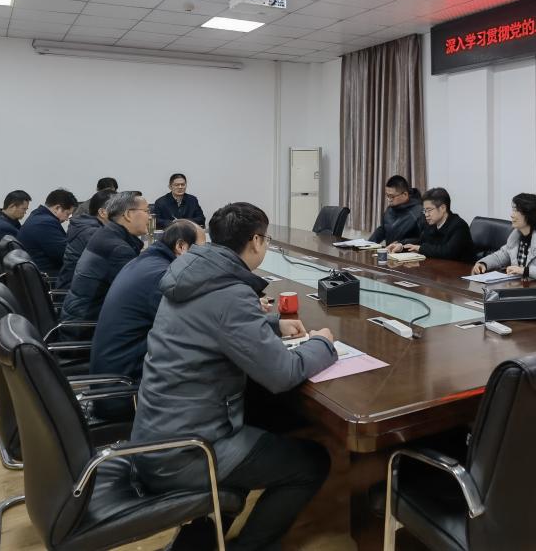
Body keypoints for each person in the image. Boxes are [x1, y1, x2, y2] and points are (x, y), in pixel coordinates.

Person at [132, 202, 336, 551]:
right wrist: (322, 344)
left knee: (266, 425)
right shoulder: (230, 292)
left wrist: (272, 323)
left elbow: (214, 322)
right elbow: (282, 373)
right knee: (312, 463)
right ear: (256, 241)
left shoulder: (189, 274)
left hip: (156, 433)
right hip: (188, 451)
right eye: (266, 239)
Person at [90, 219, 205, 387]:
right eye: (202, 250)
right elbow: (189, 329)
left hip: (115, 369)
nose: (205, 258)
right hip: (126, 383)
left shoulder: (147, 261)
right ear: (181, 246)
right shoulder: (162, 277)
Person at [61, 191, 148, 322]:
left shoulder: (107, 233)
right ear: (128, 215)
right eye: (146, 211)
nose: (150, 217)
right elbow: (139, 293)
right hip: (88, 324)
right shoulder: (117, 249)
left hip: (83, 314)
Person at [471, 193, 536, 284]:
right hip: (525, 290)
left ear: (530, 215)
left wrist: (526, 271)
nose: (512, 215)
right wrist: (483, 263)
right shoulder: (516, 238)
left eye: (516, 211)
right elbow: (499, 257)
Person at [388, 187, 475, 262]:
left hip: (462, 271)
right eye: (424, 211)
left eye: (429, 210)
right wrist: (401, 246)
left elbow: (448, 252)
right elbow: (421, 241)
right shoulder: (431, 223)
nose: (426, 215)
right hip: (439, 268)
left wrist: (420, 248)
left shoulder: (459, 226)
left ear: (443, 208)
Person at [58, 190, 114, 291]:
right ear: (102, 212)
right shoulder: (93, 233)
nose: (124, 215)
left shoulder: (85, 225)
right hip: (77, 293)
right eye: (119, 210)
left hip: (77, 288)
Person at [17, 188, 78, 275]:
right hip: (48, 277)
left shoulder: (38, 215)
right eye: (67, 214)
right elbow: (65, 255)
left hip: (37, 273)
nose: (67, 219)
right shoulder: (45, 223)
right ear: (57, 208)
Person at [367, 174, 422, 245]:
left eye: (392, 196)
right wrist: (368, 244)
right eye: (387, 195)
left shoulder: (419, 212)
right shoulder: (391, 208)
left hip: (407, 251)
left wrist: (401, 244)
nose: (389, 200)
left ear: (405, 194)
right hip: (390, 251)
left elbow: (424, 240)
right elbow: (383, 229)